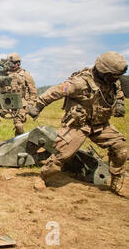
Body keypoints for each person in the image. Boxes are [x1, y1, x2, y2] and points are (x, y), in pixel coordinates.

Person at [28, 51, 127, 194]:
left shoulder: (113, 81)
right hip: (78, 126)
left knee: (121, 148)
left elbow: (118, 92)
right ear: (104, 71)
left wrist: (119, 103)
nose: (115, 79)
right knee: (62, 155)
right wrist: (38, 105)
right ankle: (42, 177)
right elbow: (56, 91)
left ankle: (116, 181)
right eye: (113, 76)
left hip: (101, 126)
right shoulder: (79, 83)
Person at [0, 52, 37, 136]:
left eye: (17, 62)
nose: (16, 64)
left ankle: (18, 144)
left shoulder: (25, 74)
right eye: (14, 63)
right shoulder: (3, 74)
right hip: (4, 101)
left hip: (20, 102)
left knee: (19, 126)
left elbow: (33, 91)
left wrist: (30, 103)